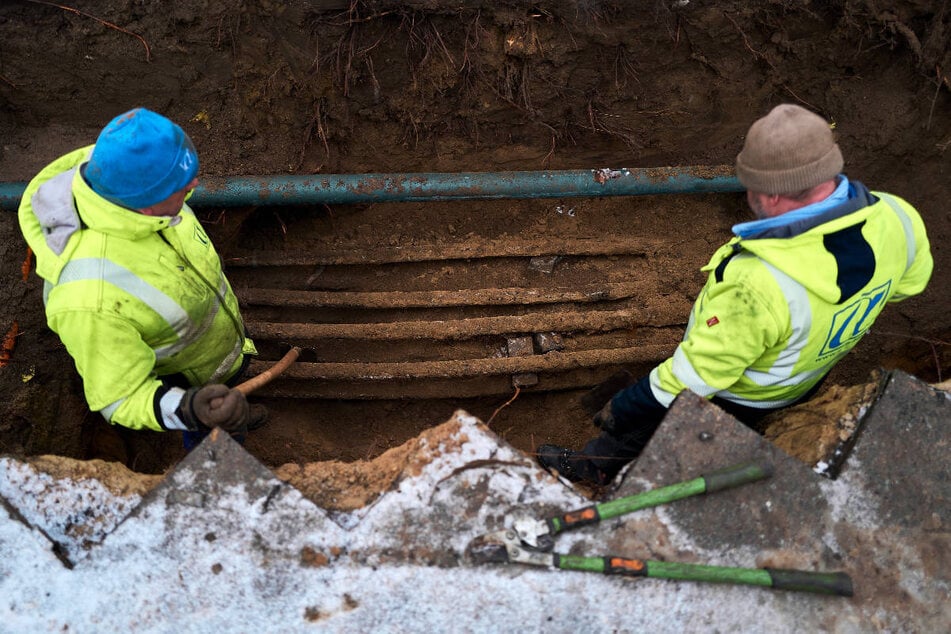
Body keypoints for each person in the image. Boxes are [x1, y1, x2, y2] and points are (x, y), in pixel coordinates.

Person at [538, 103, 933, 484]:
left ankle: (598, 467)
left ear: (772, 194)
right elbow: (907, 287)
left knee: (653, 428)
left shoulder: (757, 285)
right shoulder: (897, 215)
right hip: (803, 379)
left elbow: (695, 379)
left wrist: (630, 405)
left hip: (737, 392)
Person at [18, 107, 267, 450]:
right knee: (212, 437)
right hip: (186, 388)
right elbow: (120, 397)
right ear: (146, 206)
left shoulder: (128, 170)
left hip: (218, 352)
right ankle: (216, 441)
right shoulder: (90, 299)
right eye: (181, 185)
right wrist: (190, 408)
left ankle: (237, 412)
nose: (194, 184)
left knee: (230, 408)